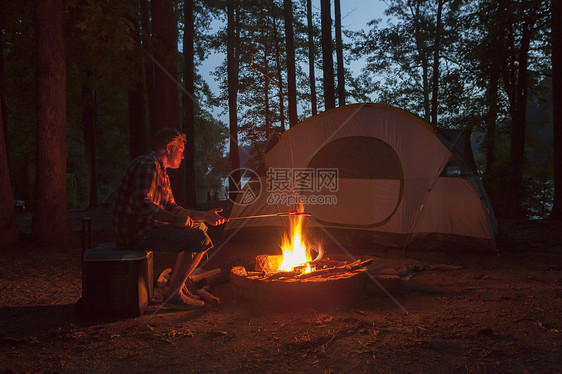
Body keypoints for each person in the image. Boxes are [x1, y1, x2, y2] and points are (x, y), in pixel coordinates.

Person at [112, 128, 228, 309]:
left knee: (202, 229)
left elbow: (173, 208)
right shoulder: (147, 164)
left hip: (148, 228)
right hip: (135, 233)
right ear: (169, 148)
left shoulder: (162, 172)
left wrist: (205, 216)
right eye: (181, 151)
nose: (182, 156)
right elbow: (141, 203)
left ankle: (177, 288)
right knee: (198, 238)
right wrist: (174, 221)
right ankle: (173, 294)